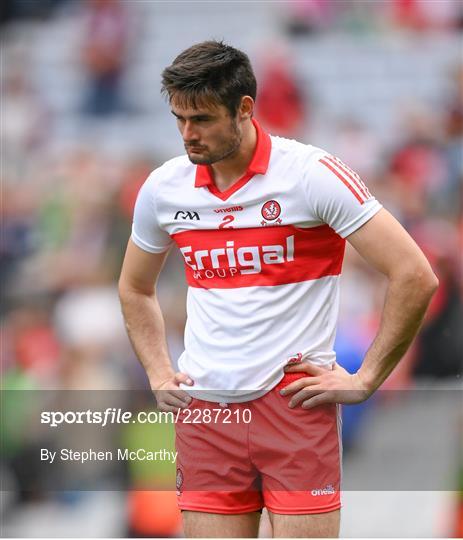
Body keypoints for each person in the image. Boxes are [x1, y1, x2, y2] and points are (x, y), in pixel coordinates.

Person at [118, 40, 438, 538]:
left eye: (201, 119)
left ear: (244, 109)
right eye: (178, 118)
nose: (187, 134)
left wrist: (366, 378)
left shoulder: (311, 175)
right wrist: (159, 370)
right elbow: (135, 288)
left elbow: (415, 274)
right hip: (206, 412)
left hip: (293, 407)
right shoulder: (164, 188)